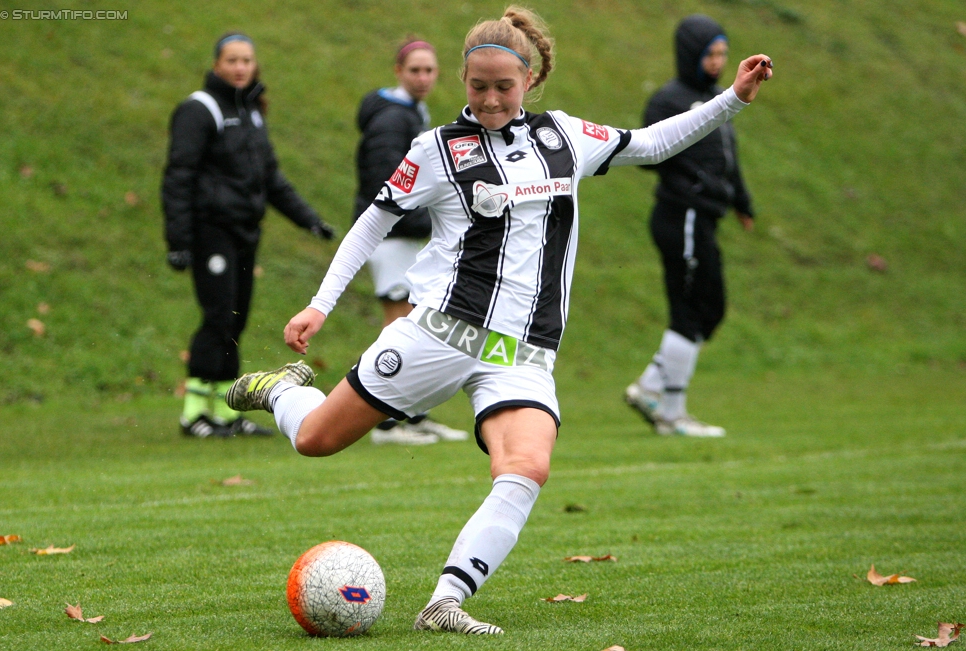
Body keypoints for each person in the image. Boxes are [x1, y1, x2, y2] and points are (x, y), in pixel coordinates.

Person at [226, 6, 772, 634]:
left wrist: (733, 98)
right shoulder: (436, 148)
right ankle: (282, 390)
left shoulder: (565, 138)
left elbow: (650, 143)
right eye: (477, 85)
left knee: (527, 468)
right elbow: (374, 219)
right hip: (439, 336)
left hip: (524, 354)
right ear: (463, 78)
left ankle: (445, 603)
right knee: (316, 439)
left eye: (503, 87)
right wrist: (319, 304)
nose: (489, 98)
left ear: (530, 78)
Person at [161, 32, 335, 439]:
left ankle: (224, 410)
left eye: (247, 61)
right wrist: (179, 241)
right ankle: (193, 413)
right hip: (211, 232)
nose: (240, 68)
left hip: (245, 231)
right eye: (232, 60)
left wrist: (308, 219)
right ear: (217, 65)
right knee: (218, 317)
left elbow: (271, 178)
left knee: (234, 319)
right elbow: (178, 176)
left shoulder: (253, 111)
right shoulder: (199, 110)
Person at [624, 15, 758, 438]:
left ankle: (649, 387)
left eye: (722, 53)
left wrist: (741, 200)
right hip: (679, 216)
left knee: (710, 310)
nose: (717, 62)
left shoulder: (719, 98)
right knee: (687, 310)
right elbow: (648, 153)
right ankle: (672, 413)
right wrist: (692, 184)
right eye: (710, 54)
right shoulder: (668, 99)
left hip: (705, 219)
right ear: (691, 54)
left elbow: (727, 156)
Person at [353, 38, 468, 446]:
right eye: (415, 70)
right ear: (398, 71)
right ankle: (384, 424)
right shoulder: (391, 119)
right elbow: (386, 185)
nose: (423, 77)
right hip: (391, 237)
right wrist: (426, 219)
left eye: (430, 70)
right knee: (397, 326)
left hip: (407, 237)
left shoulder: (411, 113)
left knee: (417, 323)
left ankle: (414, 416)